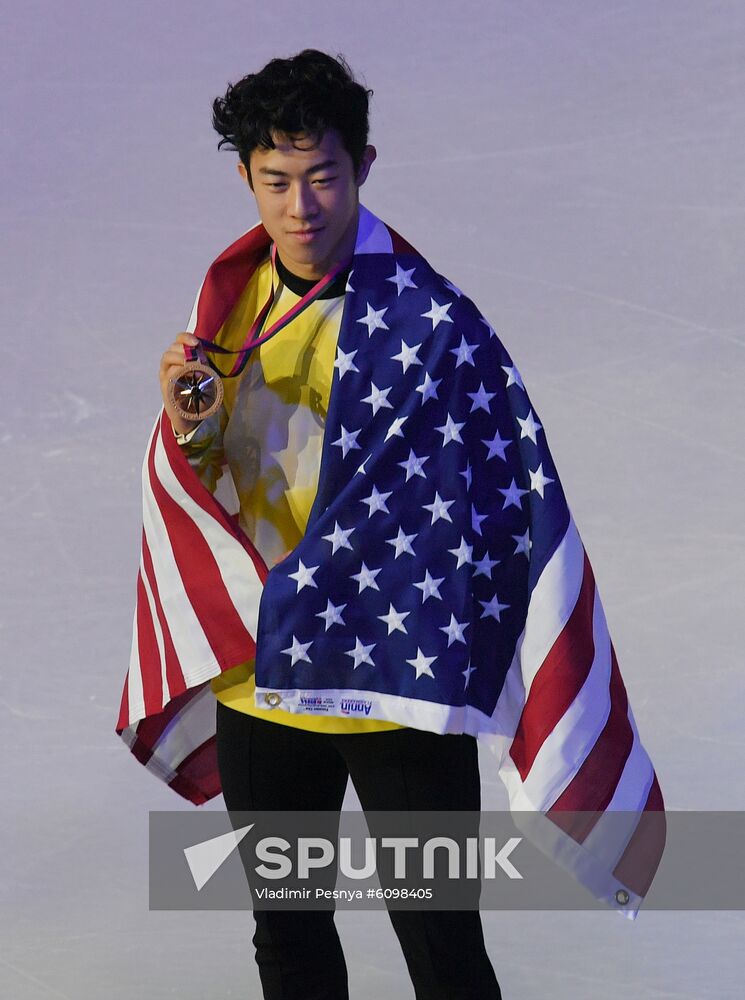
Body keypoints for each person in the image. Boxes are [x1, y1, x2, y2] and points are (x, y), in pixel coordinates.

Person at [117, 44, 664, 1000]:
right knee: (288, 936)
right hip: (266, 683)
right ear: (245, 176)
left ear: (362, 166)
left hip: (394, 679)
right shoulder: (226, 310)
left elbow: (499, 505)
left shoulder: (437, 327)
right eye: (276, 180)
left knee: (439, 945)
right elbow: (213, 493)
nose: (300, 206)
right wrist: (188, 427)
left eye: (322, 175)